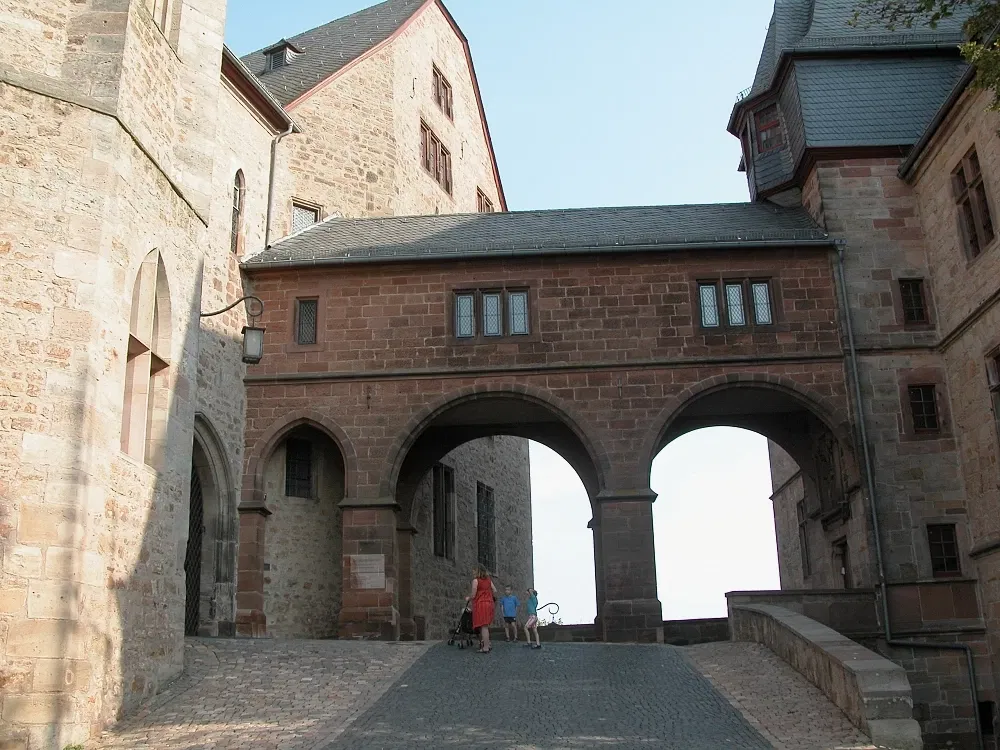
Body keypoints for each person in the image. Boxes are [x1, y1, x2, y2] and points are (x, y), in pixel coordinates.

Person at [467, 564, 497, 653]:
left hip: (481, 604)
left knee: (483, 627)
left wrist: (468, 598)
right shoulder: (489, 580)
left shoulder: (476, 581)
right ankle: (488, 644)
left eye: (474, 570)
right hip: (489, 603)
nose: (473, 572)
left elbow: (473, 594)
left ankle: (486, 647)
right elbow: (495, 590)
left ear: (478, 571)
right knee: (485, 626)